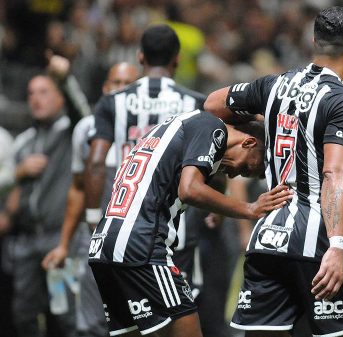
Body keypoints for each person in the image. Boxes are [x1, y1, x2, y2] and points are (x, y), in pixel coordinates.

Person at [204, 6, 343, 337]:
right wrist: (338, 244)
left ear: (315, 41)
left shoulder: (273, 86)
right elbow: (335, 173)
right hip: (318, 240)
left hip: (268, 237)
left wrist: (265, 128)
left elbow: (212, 104)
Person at [87, 109, 293, 337]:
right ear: (249, 142)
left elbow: (197, 179)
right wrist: (249, 208)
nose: (236, 175)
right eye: (247, 168)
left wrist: (217, 205)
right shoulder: (212, 127)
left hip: (104, 245)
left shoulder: (181, 125)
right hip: (141, 245)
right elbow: (190, 190)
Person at [84, 24, 211, 316]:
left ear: (140, 56)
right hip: (174, 229)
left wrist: (93, 216)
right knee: (178, 313)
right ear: (177, 59)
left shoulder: (112, 102)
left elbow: (95, 161)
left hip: (123, 225)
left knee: (130, 315)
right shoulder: (194, 102)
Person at [42, 61, 140, 337]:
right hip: (92, 233)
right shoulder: (86, 128)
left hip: (138, 235)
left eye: (128, 85)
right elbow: (78, 188)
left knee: (138, 317)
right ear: (105, 87)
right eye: (116, 84)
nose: (120, 91)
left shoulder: (152, 129)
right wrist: (64, 244)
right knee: (90, 317)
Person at [0, 74, 78, 337]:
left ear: (59, 97)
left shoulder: (72, 132)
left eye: (44, 92)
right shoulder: (24, 141)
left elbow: (83, 112)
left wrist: (66, 78)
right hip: (26, 241)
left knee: (66, 313)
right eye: (31, 93)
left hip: (59, 239)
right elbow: (7, 182)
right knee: (23, 314)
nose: (36, 99)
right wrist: (18, 173)